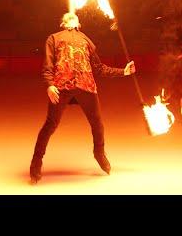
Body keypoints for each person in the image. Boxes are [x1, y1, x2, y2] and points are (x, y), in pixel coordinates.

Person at [29, 12, 136, 184]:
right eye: (68, 17)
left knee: (97, 123)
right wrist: (50, 84)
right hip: (61, 87)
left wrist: (123, 71)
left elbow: (99, 68)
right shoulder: (54, 38)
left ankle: (99, 153)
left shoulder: (86, 40)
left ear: (78, 24)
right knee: (50, 124)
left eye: (74, 17)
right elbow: (48, 64)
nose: (72, 17)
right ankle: (35, 165)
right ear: (64, 24)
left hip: (85, 87)